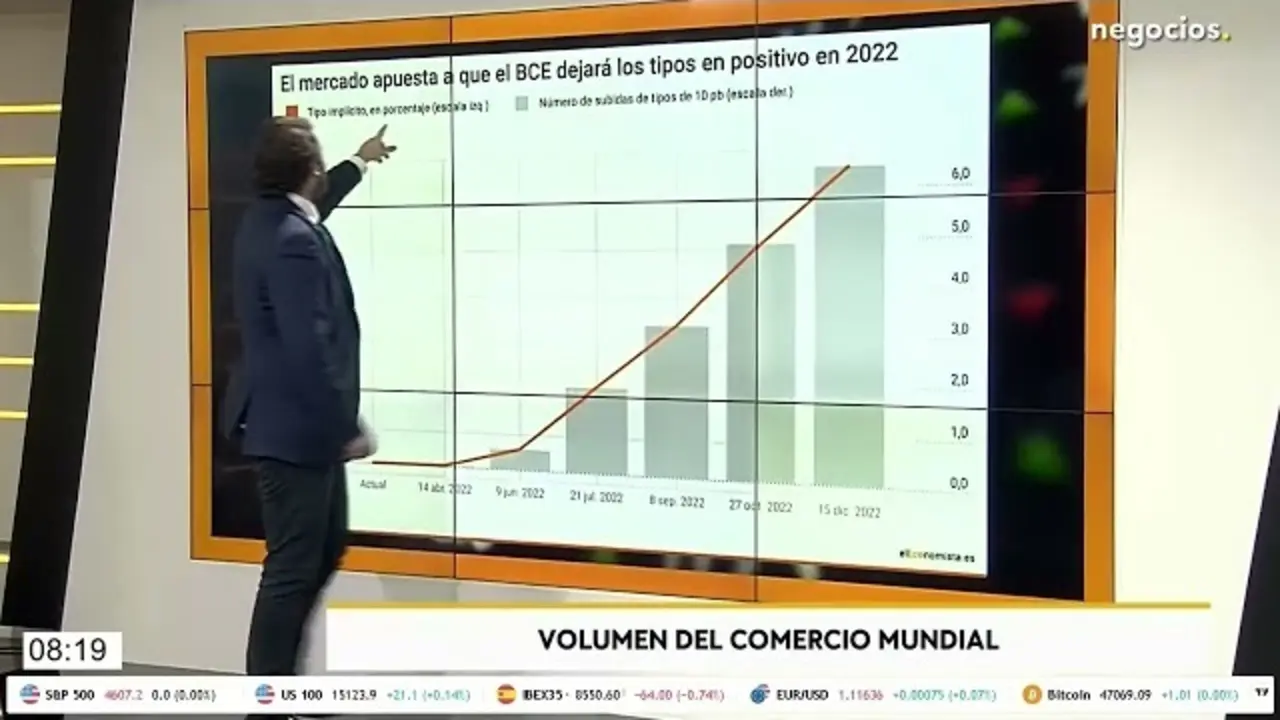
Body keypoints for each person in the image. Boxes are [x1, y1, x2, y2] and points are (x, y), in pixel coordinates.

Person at [223, 117, 396, 689]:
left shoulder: (268, 220)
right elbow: (310, 346)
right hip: (298, 433)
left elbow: (315, 206)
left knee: (317, 555)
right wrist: (345, 426)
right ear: (311, 170)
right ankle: (269, 694)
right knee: (293, 570)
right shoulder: (293, 241)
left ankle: (281, 684)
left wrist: (360, 161)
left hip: (293, 427)